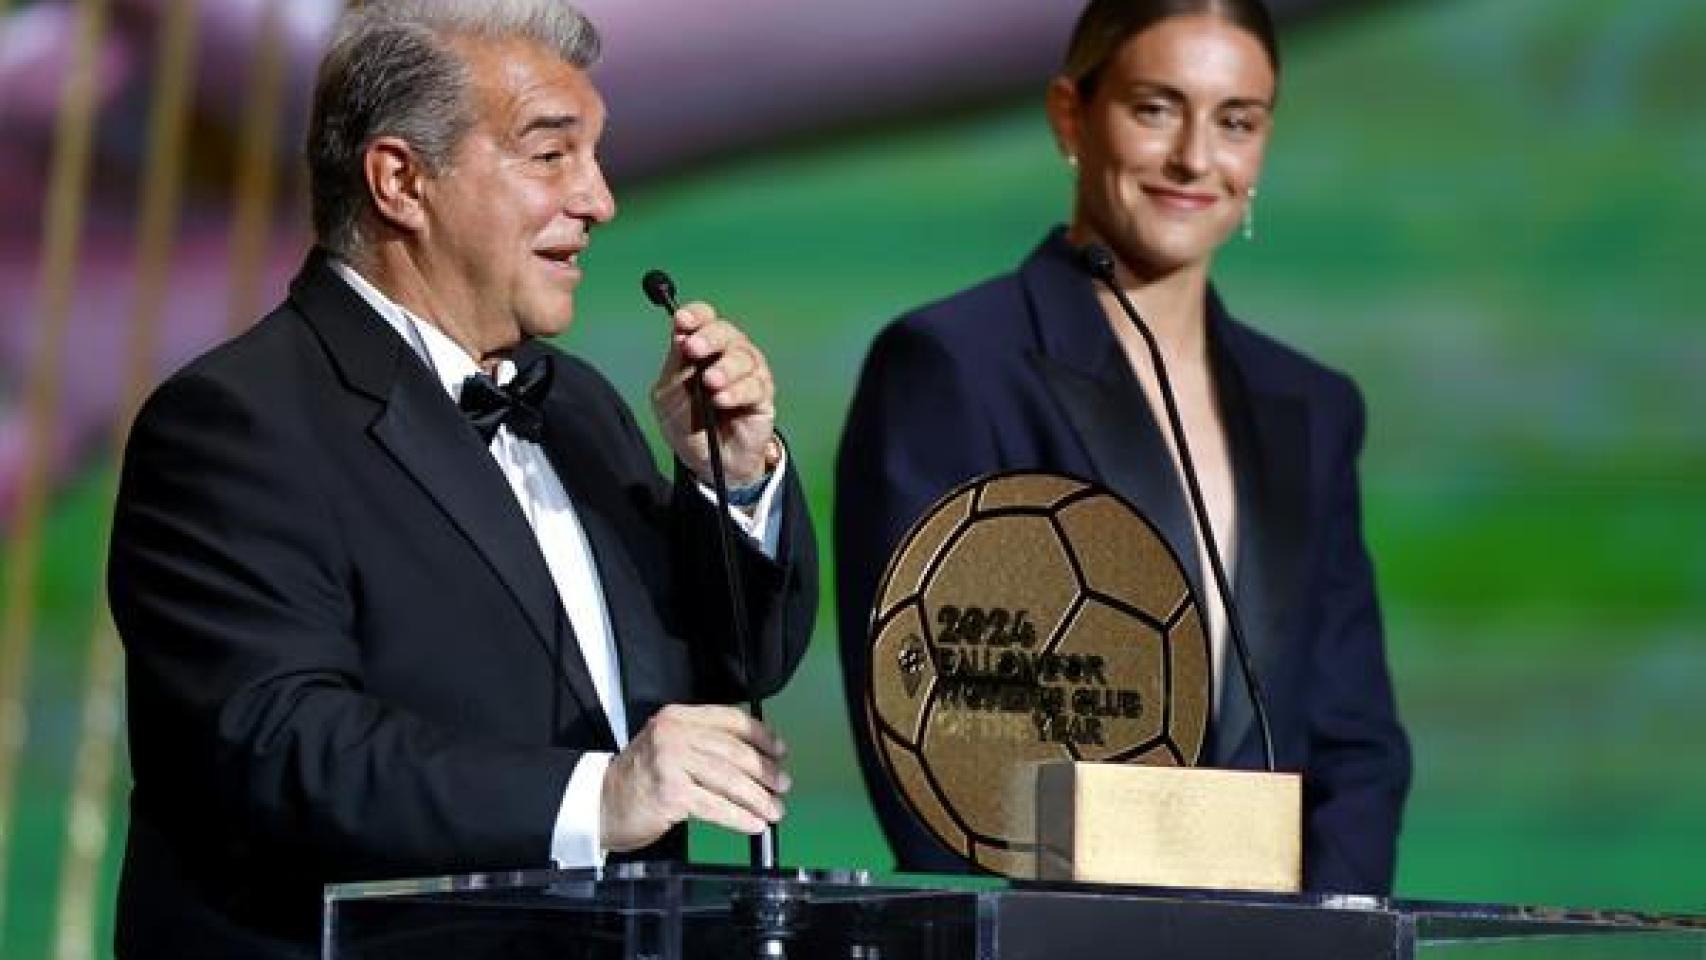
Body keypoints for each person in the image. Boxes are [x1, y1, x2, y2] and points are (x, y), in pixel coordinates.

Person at [107, 2, 816, 956]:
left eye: (595, 156)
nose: (600, 200)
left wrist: (729, 482)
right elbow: (279, 744)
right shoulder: (234, 423)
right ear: (402, 180)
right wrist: (601, 797)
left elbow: (736, 666)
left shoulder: (581, 408)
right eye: (550, 155)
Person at [836, 0, 1410, 894]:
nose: (1194, 157)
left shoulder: (1314, 406)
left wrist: (1328, 938)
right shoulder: (955, 365)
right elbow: (933, 732)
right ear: (1074, 115)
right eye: (1154, 108)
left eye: (1236, 122)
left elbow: (1354, 743)